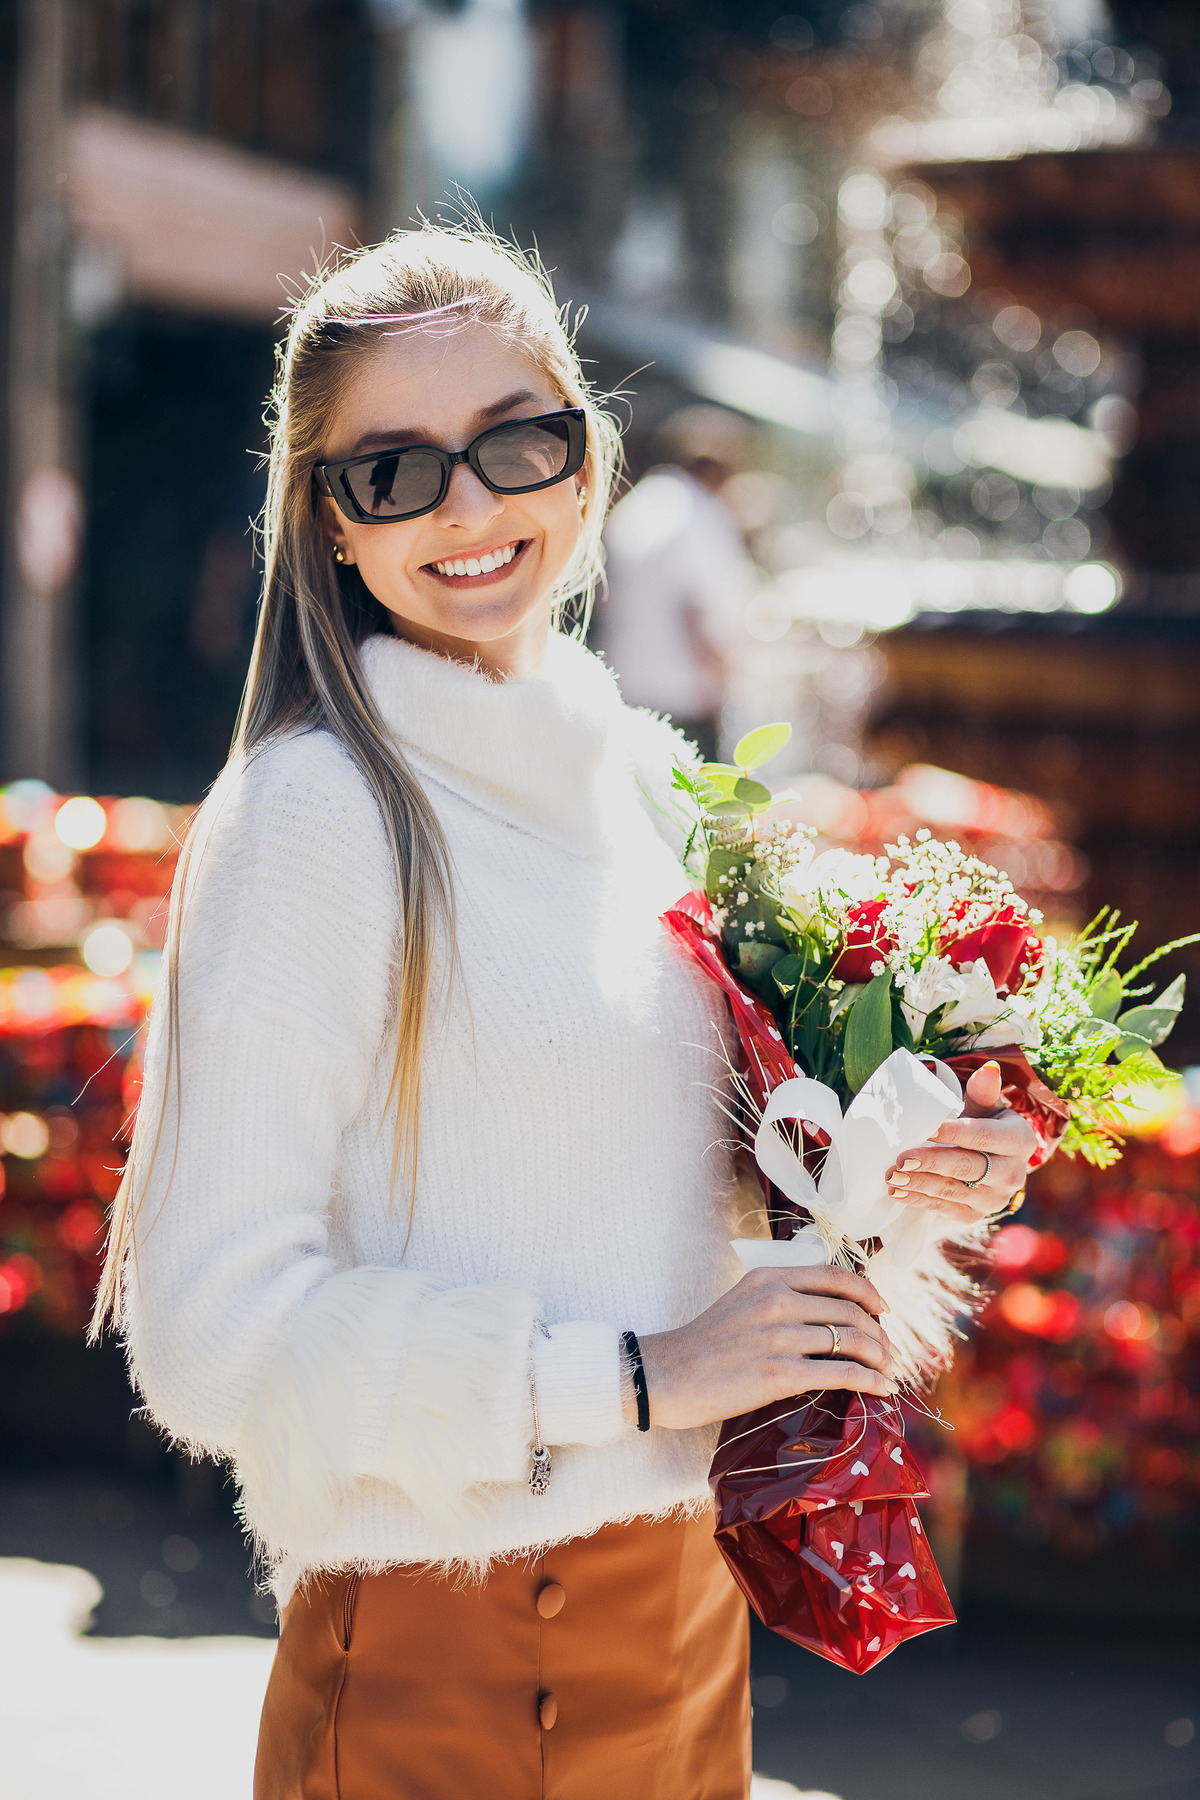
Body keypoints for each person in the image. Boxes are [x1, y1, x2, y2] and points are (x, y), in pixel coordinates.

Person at [91, 225, 1035, 1800]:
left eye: (514, 443)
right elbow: (210, 1335)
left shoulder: (642, 785)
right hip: (450, 1654)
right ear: (330, 523)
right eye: (393, 472)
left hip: (682, 1620)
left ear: (586, 464)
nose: (468, 509)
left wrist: (918, 1170)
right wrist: (641, 1379)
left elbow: (698, 1198)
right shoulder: (316, 816)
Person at [598, 407, 757, 763]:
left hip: (626, 686)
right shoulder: (697, 513)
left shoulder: (637, 505)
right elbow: (699, 608)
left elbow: (604, 598)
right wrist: (721, 680)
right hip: (685, 696)